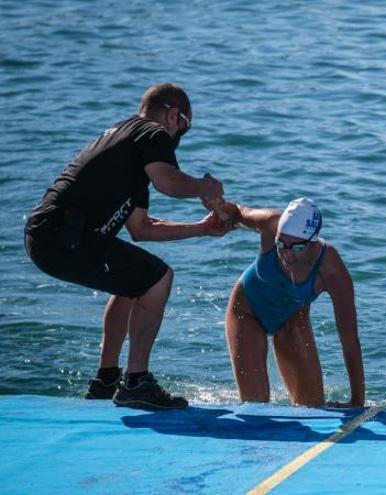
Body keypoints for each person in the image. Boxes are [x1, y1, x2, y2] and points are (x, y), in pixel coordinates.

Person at [24, 83, 231, 410]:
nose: (180, 138)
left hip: (51, 236)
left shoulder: (129, 143)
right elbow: (169, 182)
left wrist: (202, 229)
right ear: (173, 115)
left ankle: (106, 380)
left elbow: (141, 229)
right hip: (62, 237)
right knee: (159, 277)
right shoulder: (152, 133)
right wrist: (205, 186)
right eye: (184, 129)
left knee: (133, 282)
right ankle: (136, 382)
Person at [219, 198, 365, 408]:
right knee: (256, 408)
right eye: (281, 244)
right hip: (247, 311)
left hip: (292, 318)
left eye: (295, 247)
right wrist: (219, 208)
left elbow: (350, 340)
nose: (286, 253)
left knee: (313, 408)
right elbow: (239, 212)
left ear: (313, 244)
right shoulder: (270, 223)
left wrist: (357, 402)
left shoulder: (332, 271)